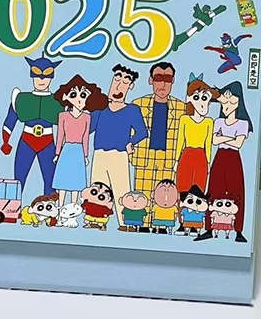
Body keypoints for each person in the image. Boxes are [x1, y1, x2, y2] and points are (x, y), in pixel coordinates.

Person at [90, 65, 148, 229]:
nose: (119, 85)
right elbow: (88, 128)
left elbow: (142, 132)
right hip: (100, 154)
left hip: (119, 155)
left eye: (125, 81)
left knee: (121, 189)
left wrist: (131, 142)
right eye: (117, 79)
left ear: (131, 86)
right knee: (97, 188)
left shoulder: (132, 110)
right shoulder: (100, 108)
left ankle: (124, 223)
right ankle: (95, 219)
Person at [195, 82, 251, 243]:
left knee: (236, 191)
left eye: (230, 101)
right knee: (213, 190)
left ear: (238, 102)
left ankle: (239, 230)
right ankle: (209, 228)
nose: (226, 105)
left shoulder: (243, 123)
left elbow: (238, 144)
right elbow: (214, 140)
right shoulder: (219, 121)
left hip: (233, 158)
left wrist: (224, 138)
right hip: (219, 157)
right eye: (224, 101)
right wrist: (230, 138)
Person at [131, 62, 185, 228]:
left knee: (165, 199)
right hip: (143, 158)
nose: (162, 84)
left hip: (168, 160)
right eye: (158, 78)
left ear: (173, 81)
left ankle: (161, 229)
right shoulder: (138, 105)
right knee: (141, 199)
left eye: (167, 79)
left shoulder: (181, 108)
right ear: (150, 80)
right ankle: (142, 228)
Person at [1, 57, 64, 196]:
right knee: (19, 179)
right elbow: (10, 121)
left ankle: (50, 209)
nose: (41, 79)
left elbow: (66, 125)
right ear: (32, 76)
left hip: (48, 142)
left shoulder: (58, 100)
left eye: (46, 76)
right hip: (26, 141)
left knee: (50, 181)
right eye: (37, 75)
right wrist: (6, 141)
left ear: (51, 78)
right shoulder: (21, 98)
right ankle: (14, 207)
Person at [52, 74, 108, 206]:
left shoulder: (87, 117)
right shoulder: (63, 115)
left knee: (76, 181)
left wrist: (86, 155)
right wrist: (57, 153)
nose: (78, 99)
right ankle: (60, 207)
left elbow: (85, 138)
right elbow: (60, 136)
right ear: (66, 97)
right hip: (66, 149)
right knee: (62, 180)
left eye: (83, 95)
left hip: (78, 151)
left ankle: (73, 207)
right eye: (73, 95)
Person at [175, 74, 218, 193]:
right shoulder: (184, 119)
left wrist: (208, 163)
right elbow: (180, 142)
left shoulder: (209, 122)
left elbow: (208, 144)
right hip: (186, 155)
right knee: (183, 187)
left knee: (198, 188)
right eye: (196, 98)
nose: (201, 103)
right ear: (189, 99)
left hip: (201, 157)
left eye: (205, 98)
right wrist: (176, 161)